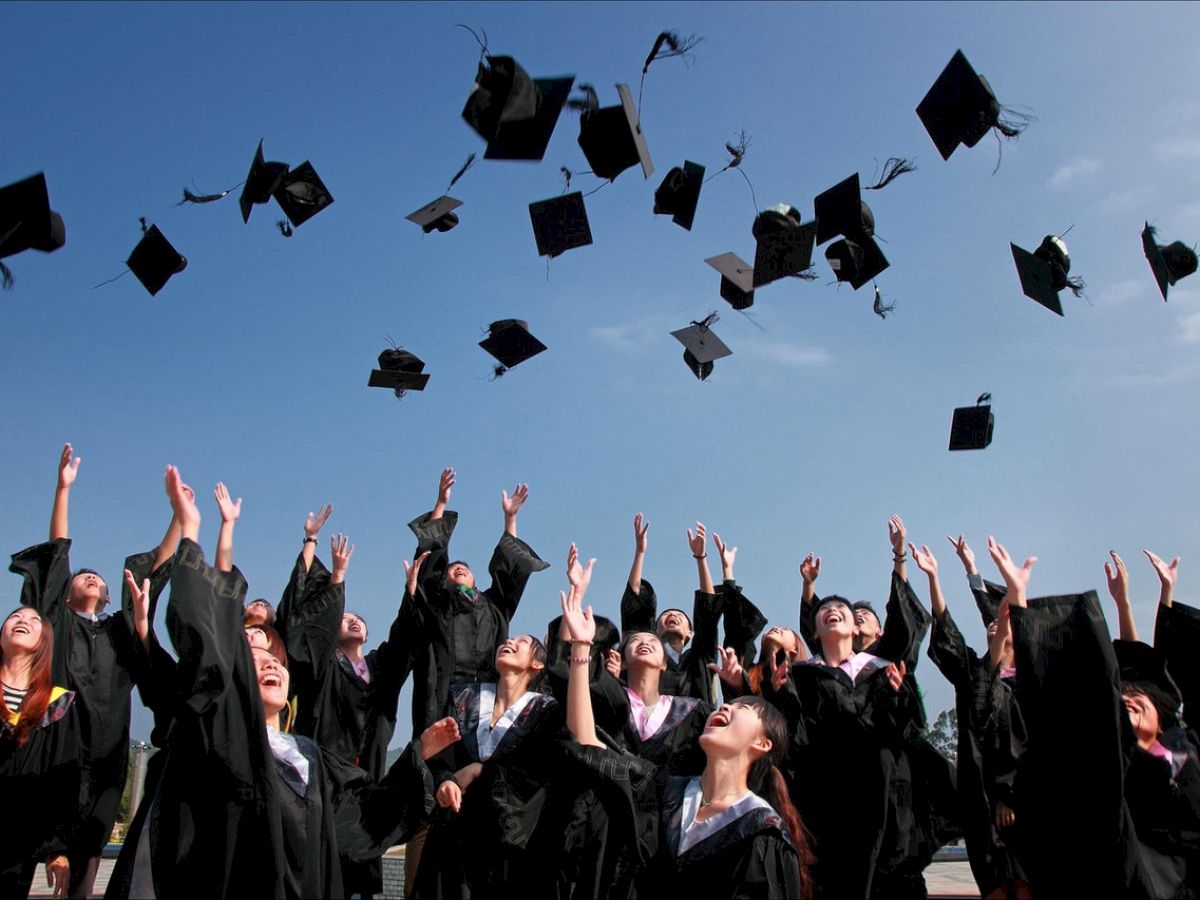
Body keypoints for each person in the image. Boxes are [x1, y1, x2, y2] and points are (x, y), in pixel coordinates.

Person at [111, 465, 457, 899]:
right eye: (252, 658)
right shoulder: (216, 740)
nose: (270, 664)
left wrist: (417, 757)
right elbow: (210, 655)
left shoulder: (307, 757)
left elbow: (356, 820)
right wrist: (193, 532)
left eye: (273, 660)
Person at [560, 548, 811, 898]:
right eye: (727, 705)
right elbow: (589, 743)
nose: (723, 709)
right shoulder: (663, 792)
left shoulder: (761, 832)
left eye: (741, 709)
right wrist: (581, 649)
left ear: (763, 742)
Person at [8, 444, 161, 898]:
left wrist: (180, 519)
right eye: (83, 575)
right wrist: (63, 488)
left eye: (99, 577)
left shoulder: (118, 632)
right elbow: (58, 553)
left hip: (106, 751)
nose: (90, 577)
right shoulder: (55, 624)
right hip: (53, 750)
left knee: (84, 867)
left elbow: (157, 571)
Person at [764, 587, 918, 899]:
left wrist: (897, 696)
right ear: (815, 633)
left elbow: (906, 731)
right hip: (821, 794)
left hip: (877, 791)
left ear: (853, 627)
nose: (832, 609)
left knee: (879, 875)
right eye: (825, 609)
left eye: (841, 609)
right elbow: (794, 741)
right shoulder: (801, 675)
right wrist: (780, 697)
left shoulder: (879, 670)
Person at [413, 611, 561, 898]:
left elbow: (538, 769)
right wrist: (445, 779)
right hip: (455, 825)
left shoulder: (546, 710)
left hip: (507, 832)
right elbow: (443, 750)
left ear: (537, 663)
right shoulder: (464, 697)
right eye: (507, 639)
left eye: (521, 641)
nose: (509, 641)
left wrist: (484, 771)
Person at [916, 541, 1029, 900]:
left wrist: (974, 572)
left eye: (1002, 621)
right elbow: (946, 631)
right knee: (994, 882)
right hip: (980, 797)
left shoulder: (1032, 679)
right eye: (991, 623)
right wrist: (934, 577)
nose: (994, 625)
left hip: (1026, 798)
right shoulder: (972, 674)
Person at [0, 606, 80, 900]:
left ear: (45, 643)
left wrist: (56, 847)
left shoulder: (56, 705)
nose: (23, 620)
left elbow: (65, 778)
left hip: (15, 842)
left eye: (35, 620)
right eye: (15, 617)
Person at [620, 516, 723, 702]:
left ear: (690, 633)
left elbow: (708, 611)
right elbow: (634, 608)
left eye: (679, 615)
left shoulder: (698, 659)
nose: (672, 615)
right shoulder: (644, 655)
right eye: (666, 615)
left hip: (694, 728)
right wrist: (640, 552)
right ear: (655, 631)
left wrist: (700, 558)